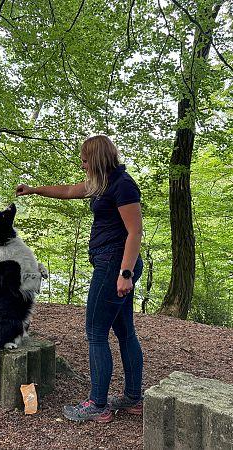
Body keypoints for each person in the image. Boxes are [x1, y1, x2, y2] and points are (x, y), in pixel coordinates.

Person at [15, 134, 144, 423]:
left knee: (97, 333)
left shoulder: (123, 185)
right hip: (114, 264)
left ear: (97, 159)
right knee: (125, 333)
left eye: (85, 159)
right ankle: (134, 398)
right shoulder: (103, 183)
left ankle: (98, 404)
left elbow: (135, 232)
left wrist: (125, 274)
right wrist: (35, 190)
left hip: (115, 266)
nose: (82, 163)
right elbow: (70, 191)